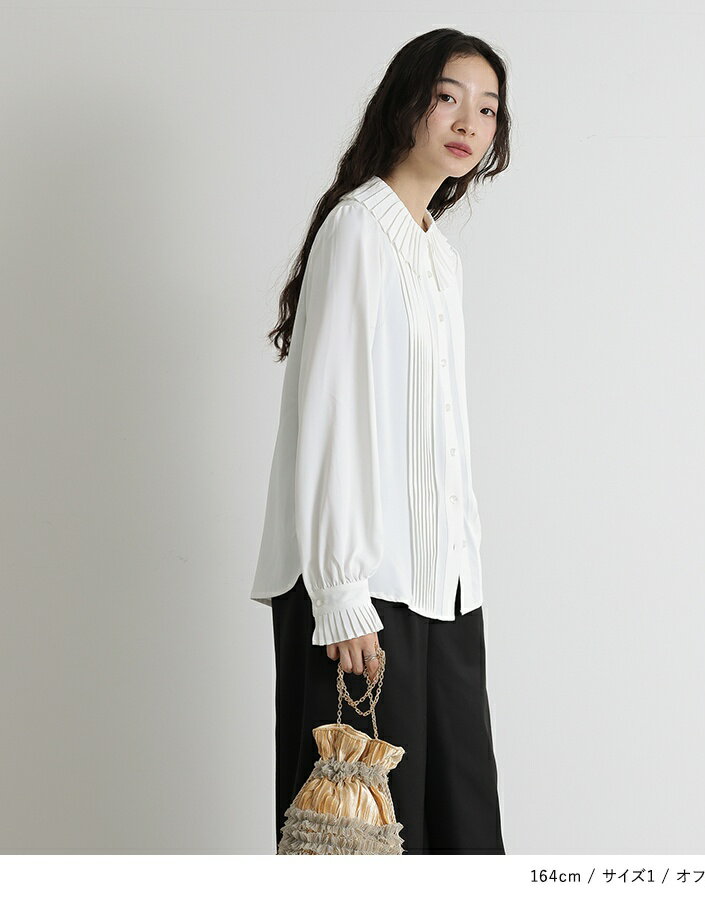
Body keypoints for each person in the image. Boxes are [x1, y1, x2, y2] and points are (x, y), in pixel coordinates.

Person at [250, 27, 512, 854]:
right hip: (362, 590)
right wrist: (339, 590)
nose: (469, 122)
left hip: (441, 588)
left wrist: (466, 566)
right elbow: (330, 415)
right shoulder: (359, 230)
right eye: (448, 98)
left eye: (488, 108)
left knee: (461, 833)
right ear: (406, 104)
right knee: (355, 844)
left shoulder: (437, 256)